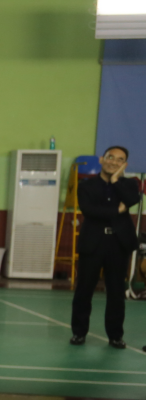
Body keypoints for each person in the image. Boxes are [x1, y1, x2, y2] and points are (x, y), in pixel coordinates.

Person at [70, 146, 139, 348]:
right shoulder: (86, 185)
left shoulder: (129, 184)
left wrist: (116, 180)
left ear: (124, 164)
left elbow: (132, 200)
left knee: (116, 292)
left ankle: (115, 336)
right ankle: (79, 333)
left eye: (119, 160)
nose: (113, 162)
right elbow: (89, 210)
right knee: (84, 290)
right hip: (93, 243)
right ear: (102, 159)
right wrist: (117, 210)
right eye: (110, 157)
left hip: (119, 243)